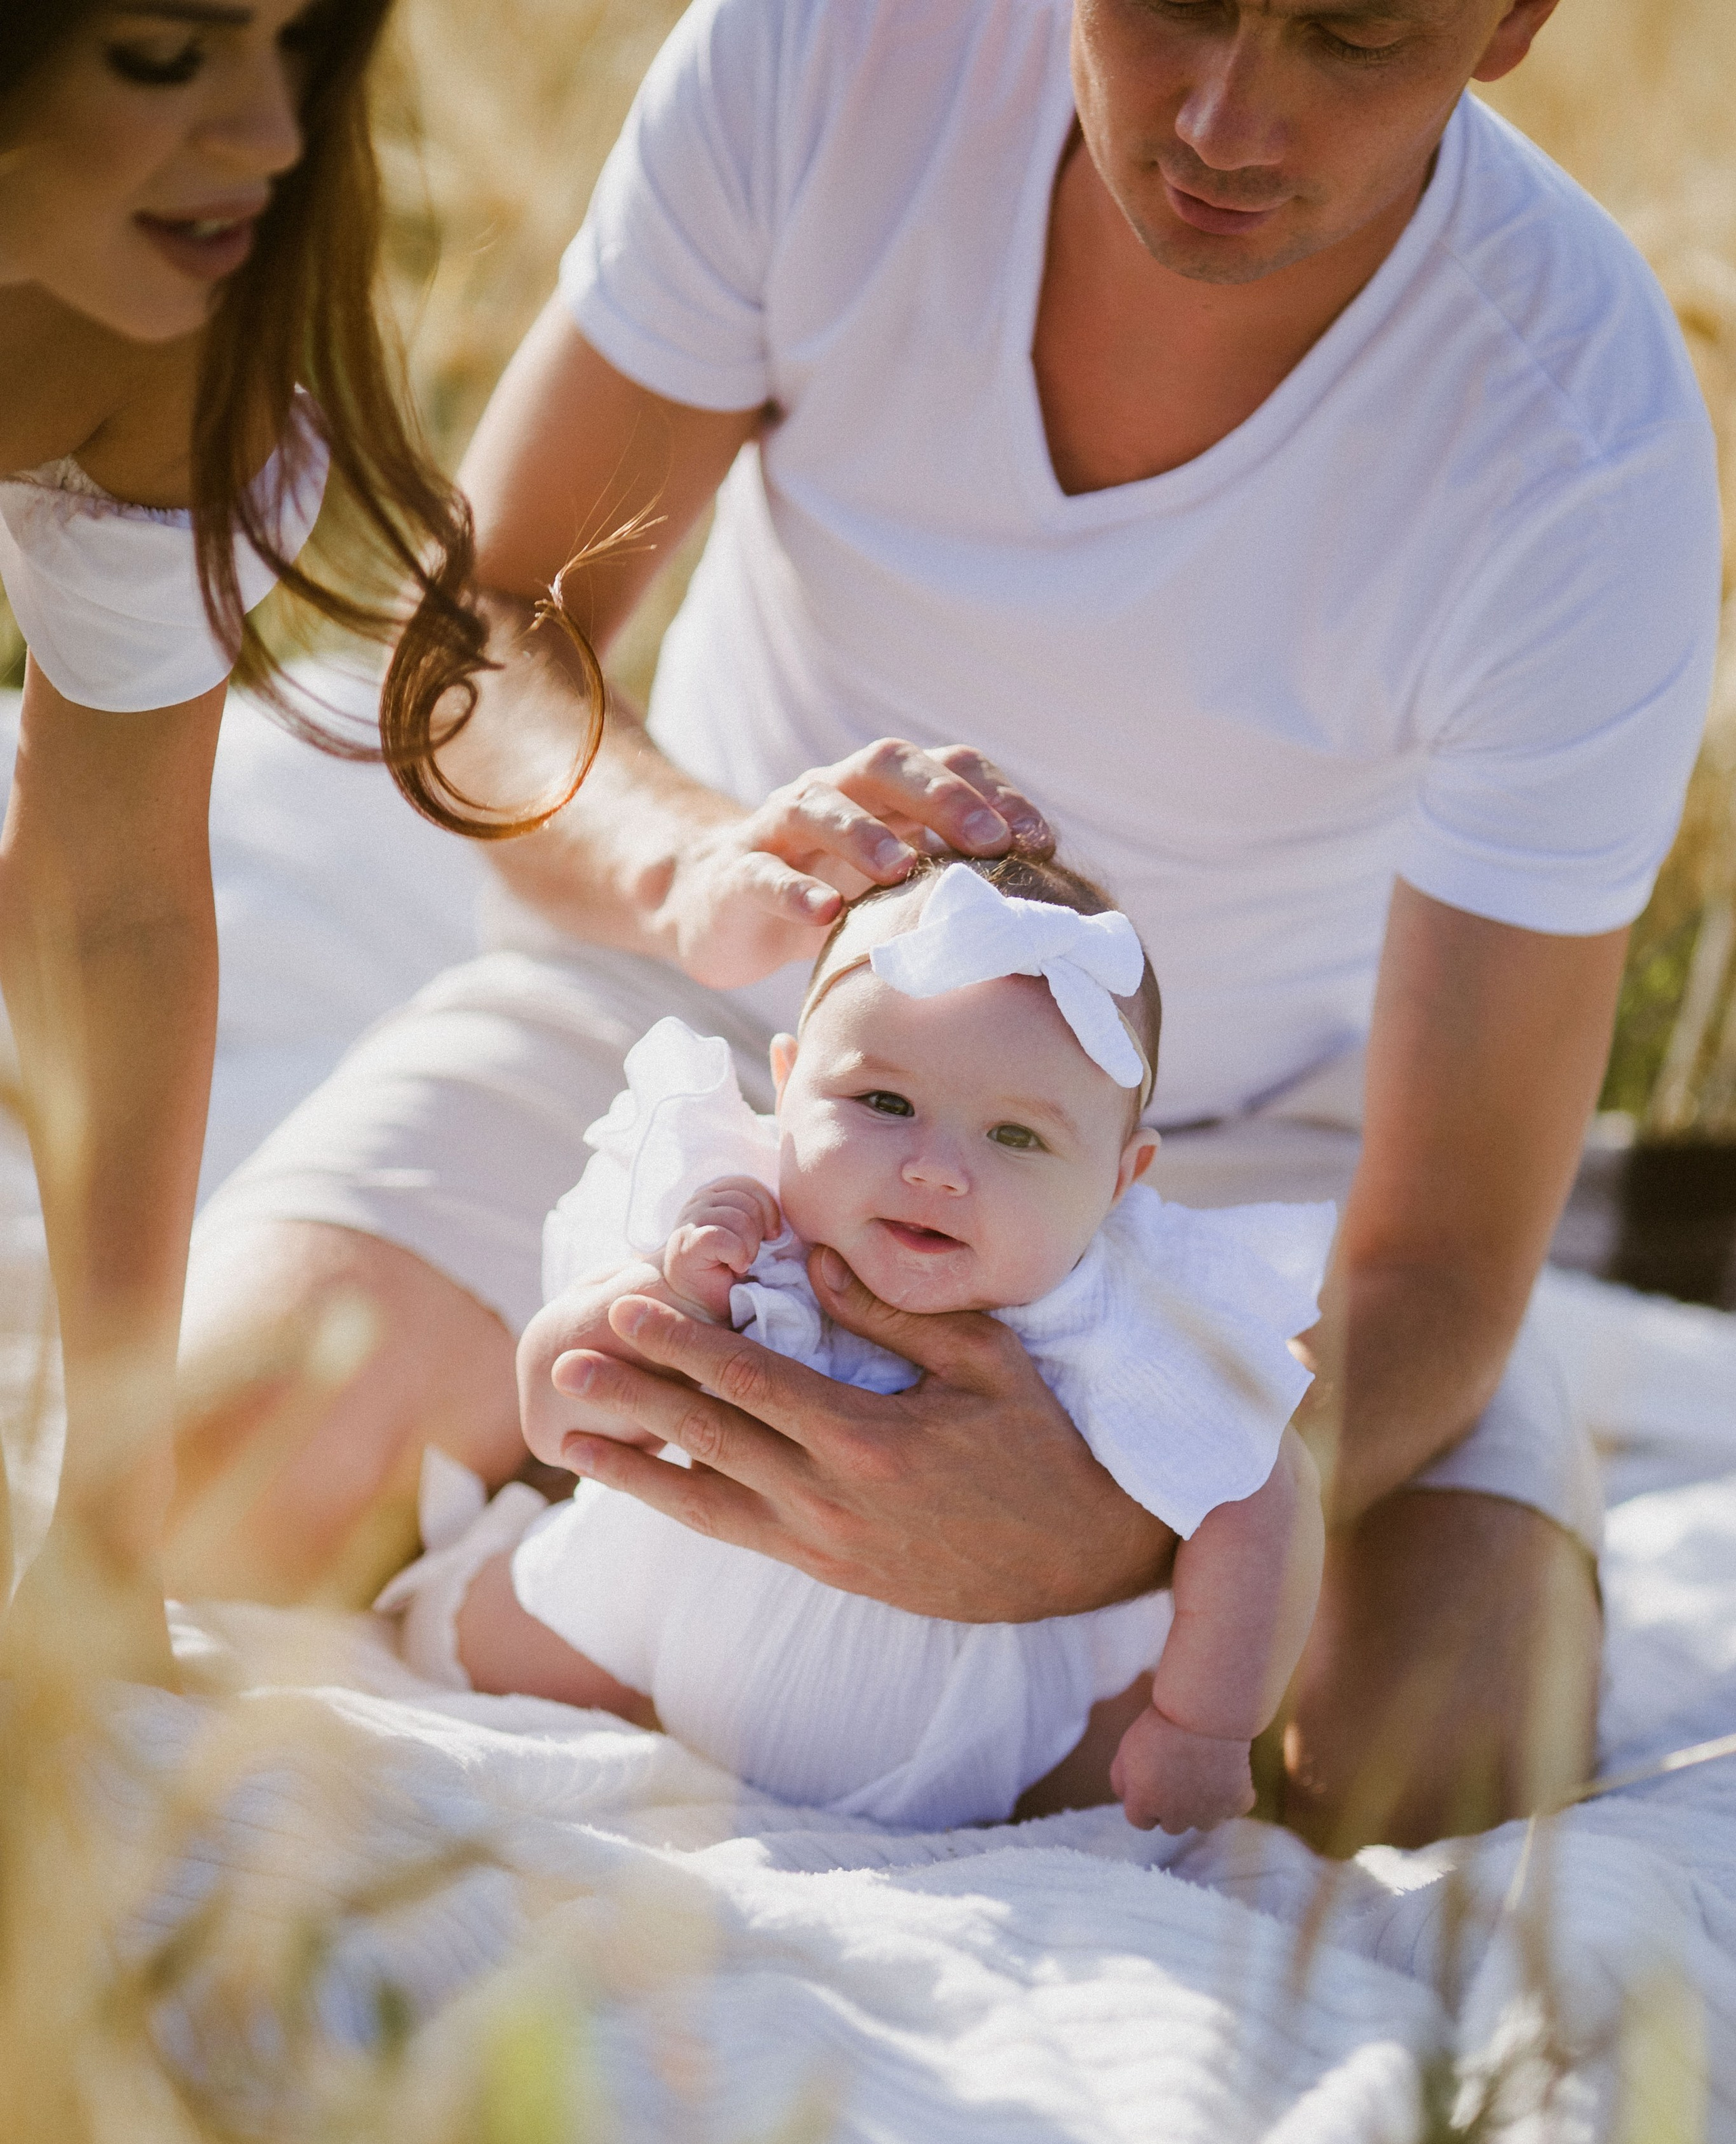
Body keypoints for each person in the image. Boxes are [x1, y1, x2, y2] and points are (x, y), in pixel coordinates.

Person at [178, 0, 1722, 1850]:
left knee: (1444, 1760)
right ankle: (599, 1560)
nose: (1229, 115)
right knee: (199, 1474)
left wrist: (1123, 1508)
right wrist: (691, 866)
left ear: (1513, 22)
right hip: (724, 1026)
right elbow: (484, 627)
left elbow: (1450, 1259)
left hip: (1244, 1177)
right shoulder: (821, 58)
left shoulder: (1585, 445)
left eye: (1355, 34)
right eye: (1171, 3)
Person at [0, 3, 601, 1680]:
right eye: (165, 53)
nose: (269, 134)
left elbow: (103, 899)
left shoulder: (163, 338)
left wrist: (102, 1532)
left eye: (302, 40)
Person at [378, 856, 1331, 1833]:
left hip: (972, 1734)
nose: (936, 1169)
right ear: (786, 1087)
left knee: (1110, 1789)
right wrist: (661, 1299)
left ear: (1121, 1183)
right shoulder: (738, 1218)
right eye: (883, 1104)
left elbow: (1263, 1497)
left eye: (1017, 1138)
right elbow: (552, 1407)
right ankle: (448, 1585)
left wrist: (1201, 1726)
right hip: (644, 1638)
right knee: (482, 1637)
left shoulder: (1115, 1318)